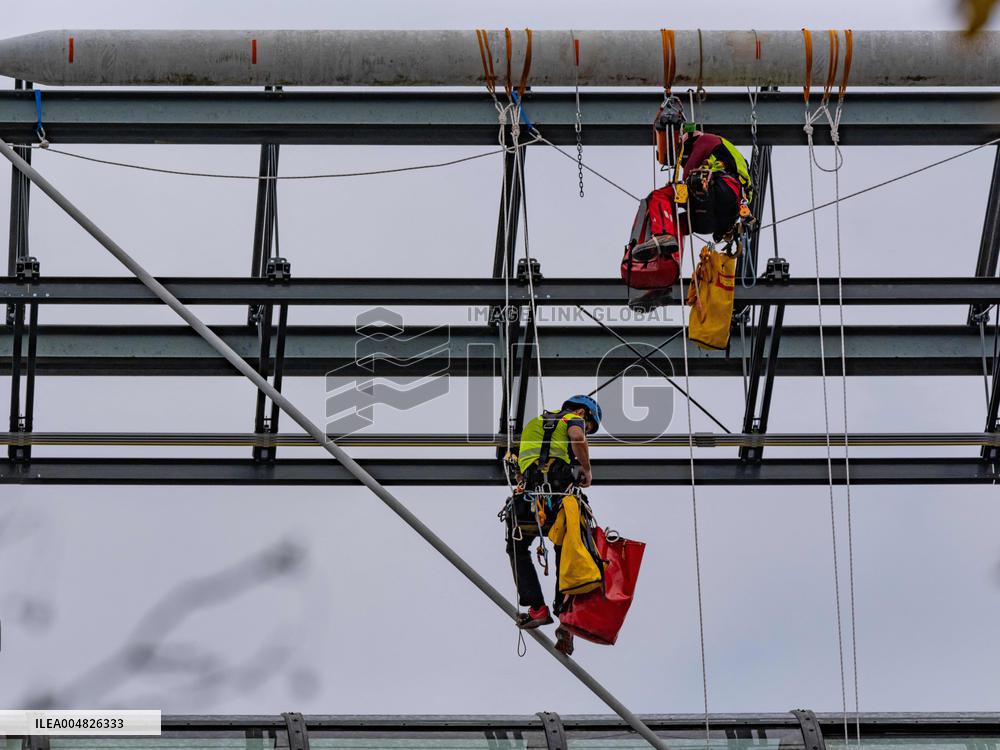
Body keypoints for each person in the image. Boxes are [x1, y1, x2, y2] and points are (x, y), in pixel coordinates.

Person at [623, 98, 752, 296]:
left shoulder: (706, 140)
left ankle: (662, 237)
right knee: (675, 221)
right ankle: (665, 262)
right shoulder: (720, 154)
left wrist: (674, 188)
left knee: (658, 197)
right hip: (718, 219)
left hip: (722, 190)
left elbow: (689, 172)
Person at [505, 395, 601, 655]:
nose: (586, 431)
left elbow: (518, 464)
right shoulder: (572, 418)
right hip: (558, 495)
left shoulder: (534, 424)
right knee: (568, 553)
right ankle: (566, 621)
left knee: (516, 546)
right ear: (582, 411)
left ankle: (537, 608)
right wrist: (586, 468)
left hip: (528, 501)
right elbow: (577, 437)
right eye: (589, 425)